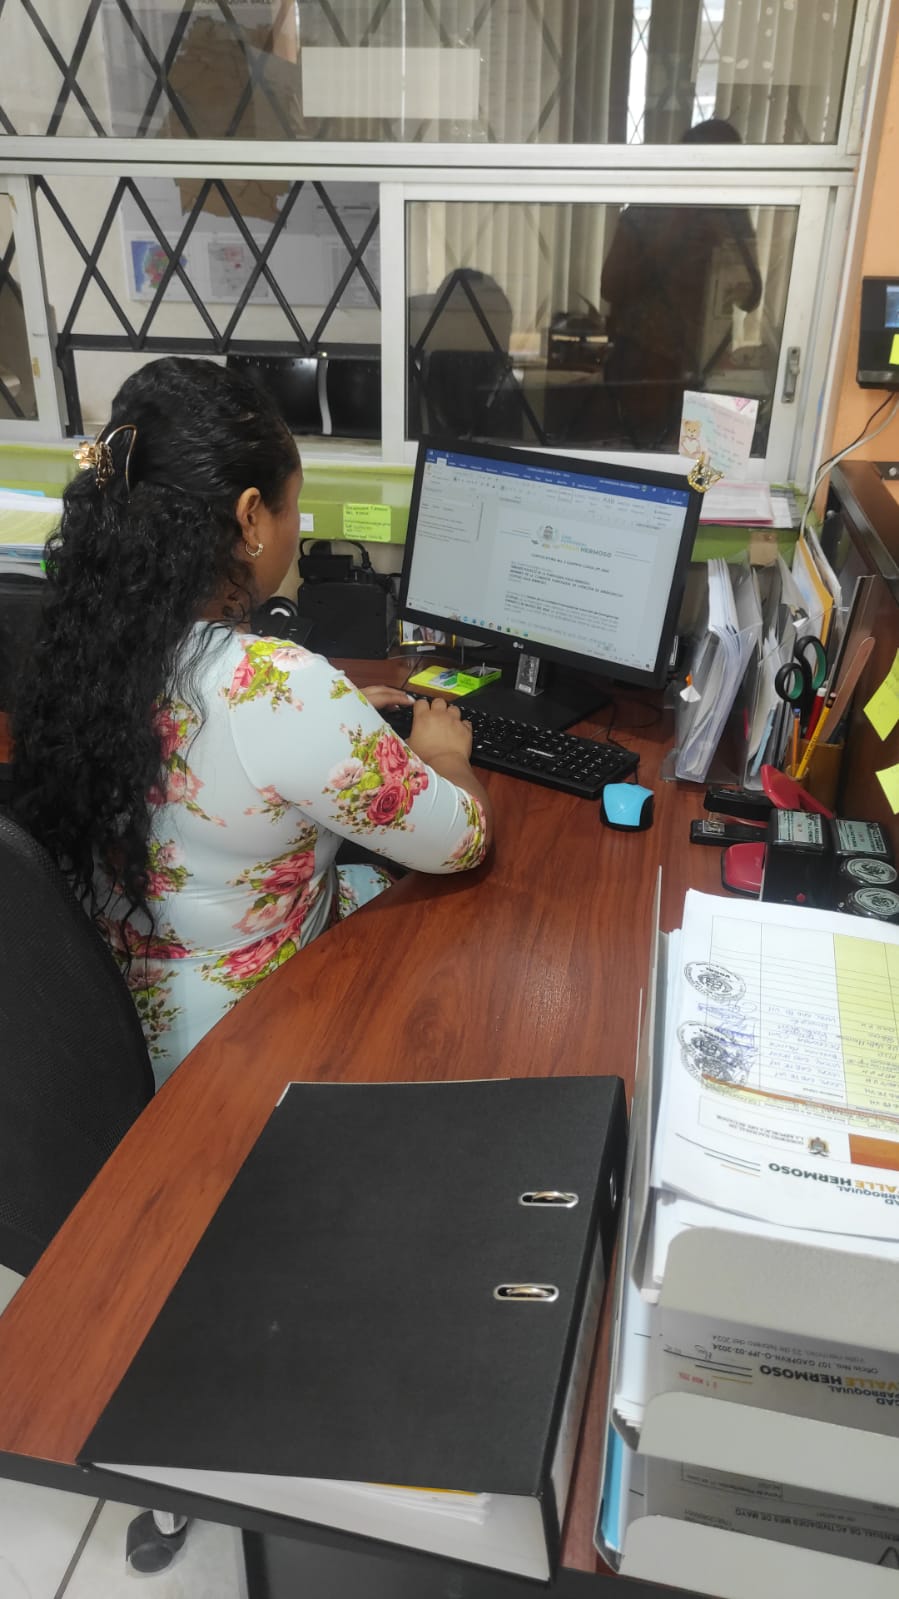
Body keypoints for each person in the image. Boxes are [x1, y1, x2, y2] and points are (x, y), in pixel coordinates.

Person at [12, 357, 492, 1086]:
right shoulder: (279, 689)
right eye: (292, 505)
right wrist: (442, 753)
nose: (295, 526)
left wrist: (336, 725)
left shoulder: (82, 641)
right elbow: (464, 841)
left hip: (104, 1018)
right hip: (243, 1045)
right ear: (249, 518)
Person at [600, 118, 762, 448]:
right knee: (641, 455)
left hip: (710, 362)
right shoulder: (645, 213)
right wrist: (670, 236)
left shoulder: (734, 216)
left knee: (705, 462)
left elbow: (750, 297)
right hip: (647, 363)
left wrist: (724, 248)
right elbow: (610, 286)